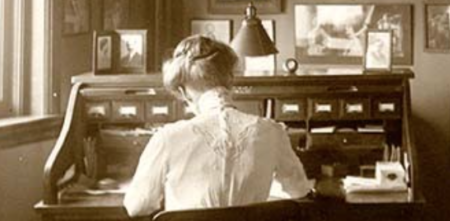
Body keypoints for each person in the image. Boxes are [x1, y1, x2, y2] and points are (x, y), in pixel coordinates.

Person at [124, 35, 312, 217]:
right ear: (230, 79)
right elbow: (299, 190)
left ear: (183, 92)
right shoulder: (272, 131)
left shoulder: (167, 137)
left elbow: (137, 206)